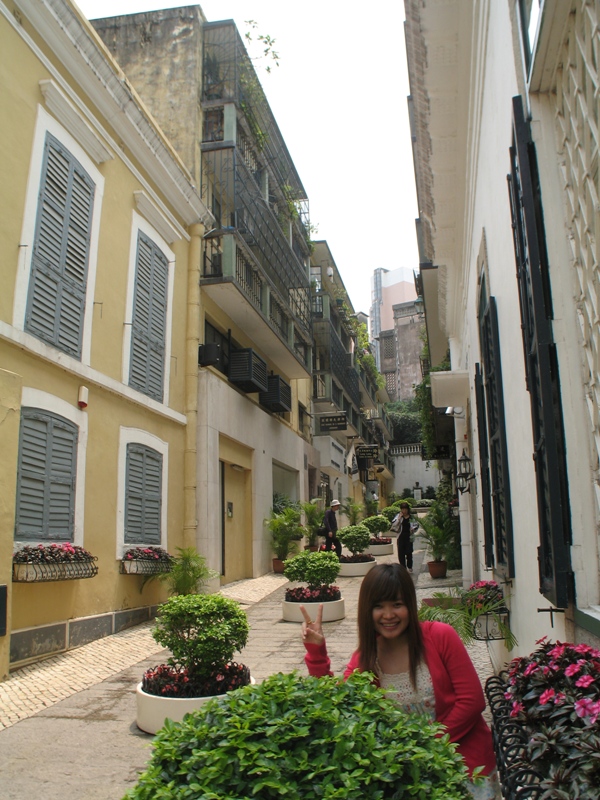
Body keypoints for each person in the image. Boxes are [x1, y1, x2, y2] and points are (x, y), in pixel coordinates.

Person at [300, 563, 500, 799]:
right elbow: (340, 708)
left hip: (464, 769)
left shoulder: (440, 636)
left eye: (397, 604)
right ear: (367, 611)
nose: (388, 615)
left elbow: (472, 701)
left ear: (410, 605)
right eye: (378, 606)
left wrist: (425, 745)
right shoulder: (366, 659)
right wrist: (316, 653)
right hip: (408, 780)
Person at [392, 501, 414, 573]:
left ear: (408, 509)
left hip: (409, 537)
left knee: (409, 552)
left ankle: (410, 566)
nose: (404, 511)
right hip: (400, 536)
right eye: (402, 509)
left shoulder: (411, 517)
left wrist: (413, 529)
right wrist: (399, 518)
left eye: (405, 509)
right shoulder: (398, 516)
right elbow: (394, 524)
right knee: (401, 553)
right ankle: (403, 568)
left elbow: (416, 524)